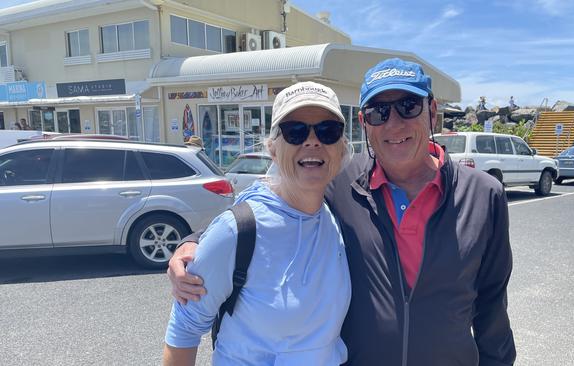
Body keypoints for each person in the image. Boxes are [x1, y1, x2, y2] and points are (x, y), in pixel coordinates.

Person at [168, 58, 516, 365]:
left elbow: (492, 309)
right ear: (365, 123)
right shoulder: (340, 182)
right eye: (379, 112)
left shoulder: (484, 194)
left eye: (408, 106)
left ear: (433, 112)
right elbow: (269, 201)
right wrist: (194, 242)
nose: (393, 124)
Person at [163, 81, 352, 365]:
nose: (312, 141)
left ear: (341, 148)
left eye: (328, 131)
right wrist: (190, 243)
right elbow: (184, 330)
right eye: (295, 131)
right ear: (273, 149)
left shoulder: (337, 216)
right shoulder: (237, 230)